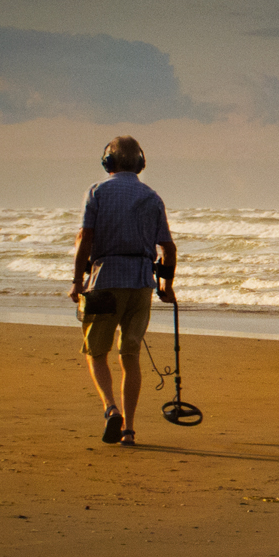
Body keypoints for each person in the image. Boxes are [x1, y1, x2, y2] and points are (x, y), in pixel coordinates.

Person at [68, 136, 176, 446]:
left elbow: (85, 239)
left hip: (104, 281)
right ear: (141, 164)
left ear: (108, 163)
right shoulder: (152, 197)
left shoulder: (97, 192)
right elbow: (167, 248)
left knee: (96, 353)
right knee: (130, 354)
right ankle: (129, 429)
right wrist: (166, 286)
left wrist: (77, 280)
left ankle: (110, 408)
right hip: (141, 283)